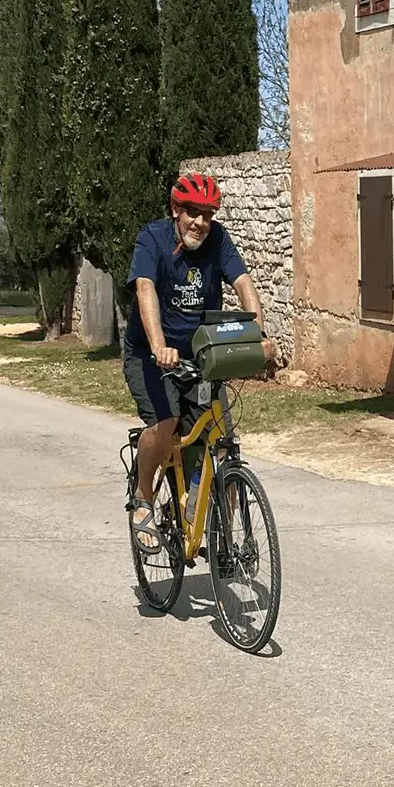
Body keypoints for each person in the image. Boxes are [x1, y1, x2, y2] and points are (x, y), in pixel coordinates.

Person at [123, 171, 279, 554]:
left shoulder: (218, 239)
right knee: (167, 422)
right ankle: (143, 497)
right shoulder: (152, 239)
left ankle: (217, 532)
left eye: (208, 214)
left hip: (200, 356)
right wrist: (159, 346)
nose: (201, 222)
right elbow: (145, 289)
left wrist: (257, 334)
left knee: (221, 443)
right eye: (193, 212)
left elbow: (242, 282)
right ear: (176, 210)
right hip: (150, 355)